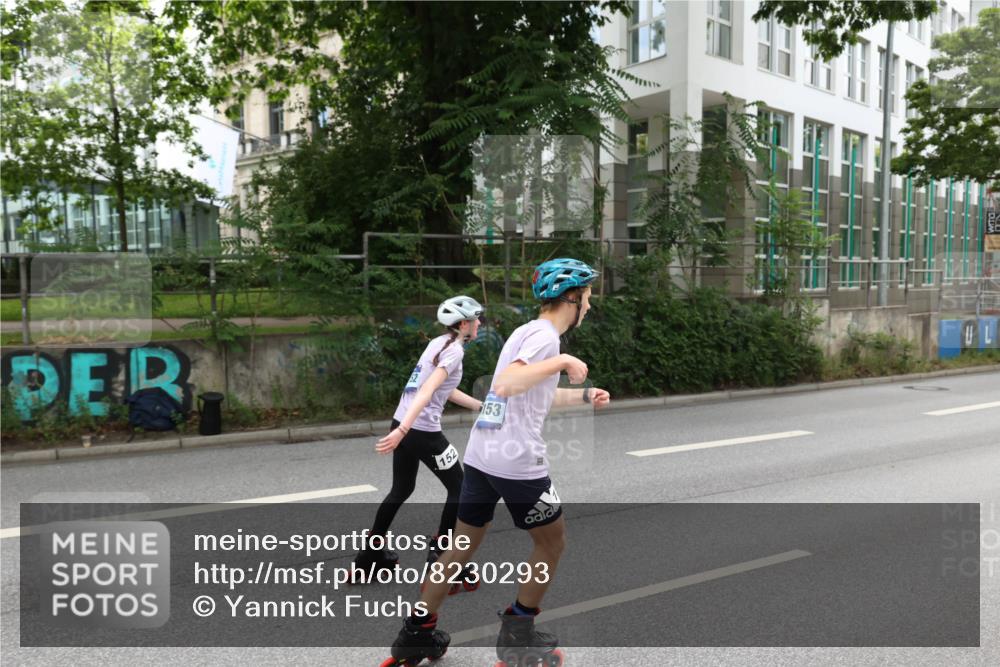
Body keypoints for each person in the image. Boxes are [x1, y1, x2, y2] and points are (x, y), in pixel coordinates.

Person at [381, 258, 611, 667]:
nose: (590, 306)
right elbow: (506, 384)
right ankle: (518, 633)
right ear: (572, 299)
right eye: (588, 298)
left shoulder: (526, 332)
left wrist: (582, 396)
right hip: (516, 461)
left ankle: (416, 634)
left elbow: (526, 392)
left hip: (483, 455)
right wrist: (562, 362)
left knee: (460, 546)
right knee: (552, 541)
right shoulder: (546, 342)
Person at [353, 296, 485, 580]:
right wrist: (403, 433)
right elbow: (426, 392)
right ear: (464, 324)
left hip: (402, 419)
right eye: (476, 319)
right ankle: (443, 557)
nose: (480, 324)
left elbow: (443, 389)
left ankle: (370, 556)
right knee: (460, 489)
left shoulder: (437, 343)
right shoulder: (454, 352)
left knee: (401, 489)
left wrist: (480, 406)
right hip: (421, 430)